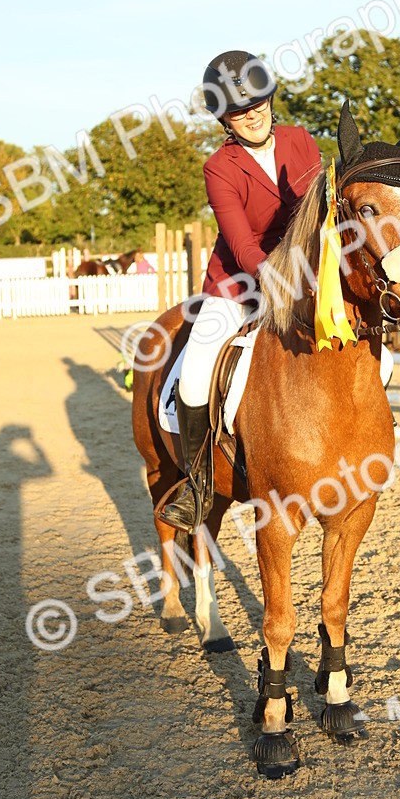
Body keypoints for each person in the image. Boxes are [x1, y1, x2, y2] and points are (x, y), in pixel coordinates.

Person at [162, 50, 322, 533]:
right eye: (238, 109)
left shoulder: (301, 142)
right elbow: (241, 243)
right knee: (192, 375)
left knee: (380, 358)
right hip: (238, 285)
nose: (251, 113)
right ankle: (196, 484)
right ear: (224, 119)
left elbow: (318, 217)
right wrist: (278, 283)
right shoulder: (220, 167)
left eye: (258, 102)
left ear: (271, 100)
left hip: (305, 278)